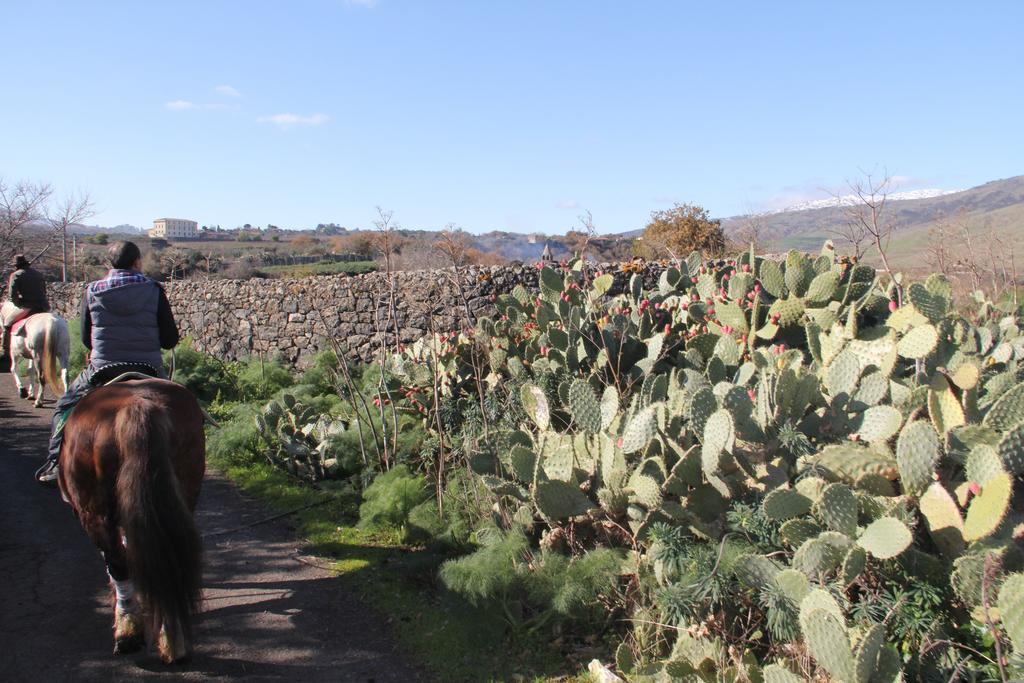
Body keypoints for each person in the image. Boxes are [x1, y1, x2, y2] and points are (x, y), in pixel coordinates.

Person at [37, 241, 179, 484]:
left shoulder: (92, 290)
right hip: (149, 369)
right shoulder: (154, 289)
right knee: (181, 408)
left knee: (64, 407)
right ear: (137, 262)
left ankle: (54, 463)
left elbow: (85, 338)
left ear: (109, 263)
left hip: (103, 369)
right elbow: (169, 340)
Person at [1, 254, 50, 373]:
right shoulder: (38, 274)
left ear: (16, 266)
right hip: (44, 307)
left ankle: (4, 351)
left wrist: (19, 304)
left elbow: (12, 297)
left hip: (28, 306)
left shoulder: (16, 275)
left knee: (7, 323)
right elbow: (44, 291)